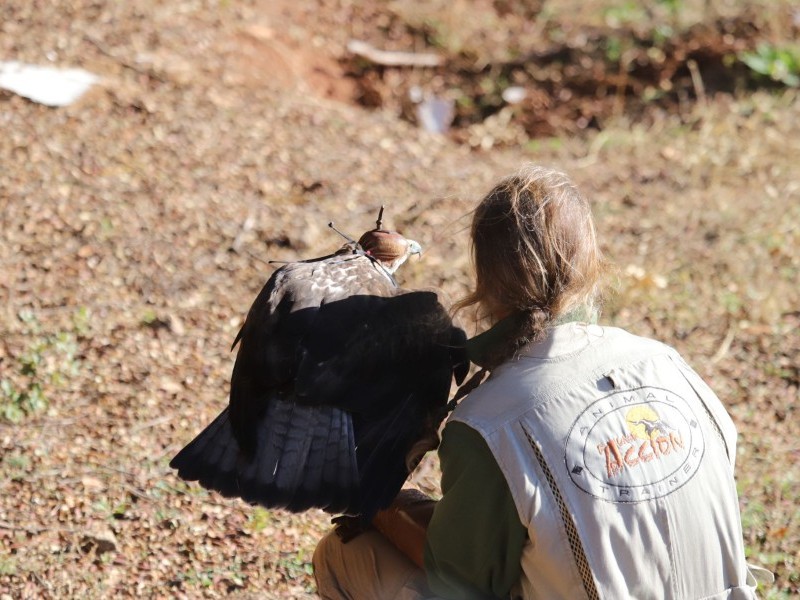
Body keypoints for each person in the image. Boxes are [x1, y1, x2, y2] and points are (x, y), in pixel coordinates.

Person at [312, 164, 769, 599]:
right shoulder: (668, 364)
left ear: (486, 277)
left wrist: (383, 506)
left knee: (346, 554)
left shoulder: (491, 423)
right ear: (590, 258)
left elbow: (457, 584)